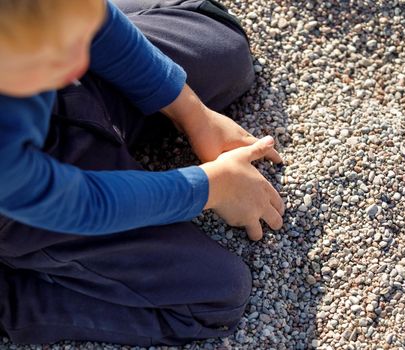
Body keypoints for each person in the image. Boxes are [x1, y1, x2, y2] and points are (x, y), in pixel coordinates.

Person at [0, 0, 284, 345]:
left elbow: (93, 19)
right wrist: (212, 186)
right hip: (21, 207)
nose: (79, 61)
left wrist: (193, 112)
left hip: (61, 102)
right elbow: (80, 202)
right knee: (215, 297)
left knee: (224, 45)